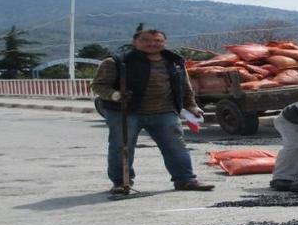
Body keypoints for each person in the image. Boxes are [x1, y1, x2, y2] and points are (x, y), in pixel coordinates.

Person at [92, 27, 215, 193]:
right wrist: (114, 95)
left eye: (157, 41)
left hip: (164, 112)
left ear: (164, 43)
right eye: (146, 40)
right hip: (126, 112)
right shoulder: (116, 62)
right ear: (134, 43)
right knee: (121, 147)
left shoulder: (174, 62)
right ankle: (121, 183)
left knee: (176, 146)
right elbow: (98, 85)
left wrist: (191, 105)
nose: (152, 44)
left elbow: (184, 87)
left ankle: (186, 180)